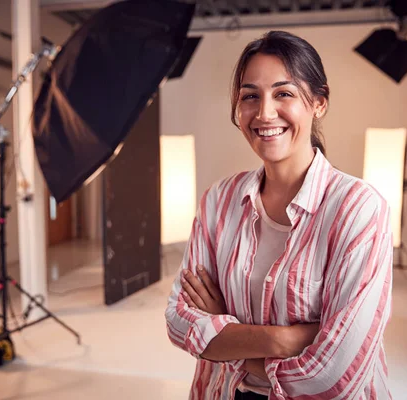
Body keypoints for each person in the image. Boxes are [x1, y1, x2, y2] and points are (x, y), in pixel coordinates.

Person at [165, 30, 393, 400]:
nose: (264, 112)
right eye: (250, 96)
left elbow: (335, 375)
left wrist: (227, 337)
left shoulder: (358, 209)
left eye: (284, 93)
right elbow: (178, 322)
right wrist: (285, 339)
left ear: (319, 102)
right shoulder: (219, 200)